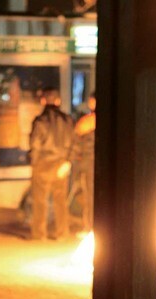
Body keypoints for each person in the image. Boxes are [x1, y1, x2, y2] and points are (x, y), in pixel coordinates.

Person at [29, 87, 75, 241]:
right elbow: (74, 143)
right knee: (60, 201)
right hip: (61, 164)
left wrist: (34, 164)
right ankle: (62, 233)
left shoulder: (40, 121)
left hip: (43, 164)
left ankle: (39, 234)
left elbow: (35, 145)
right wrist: (67, 162)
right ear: (58, 101)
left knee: (40, 201)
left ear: (43, 100)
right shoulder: (68, 120)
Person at [72, 91, 96, 234]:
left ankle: (90, 228)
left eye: (91, 101)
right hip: (94, 164)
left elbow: (76, 140)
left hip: (88, 164)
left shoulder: (87, 121)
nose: (89, 103)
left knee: (90, 197)